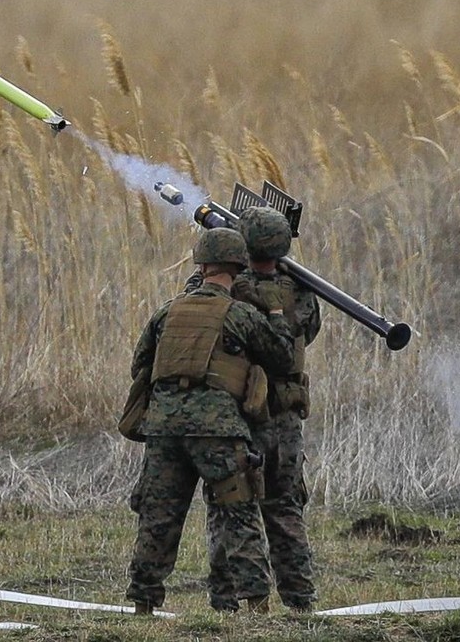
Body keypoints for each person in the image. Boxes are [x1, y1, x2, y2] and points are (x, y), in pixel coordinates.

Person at [125, 227, 296, 615]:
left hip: (164, 428)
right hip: (218, 428)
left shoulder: (167, 311)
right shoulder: (241, 314)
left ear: (201, 265)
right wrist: (275, 312)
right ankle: (256, 604)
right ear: (238, 267)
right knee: (239, 513)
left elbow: (140, 364)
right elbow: (282, 359)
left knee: (158, 517)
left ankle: (144, 603)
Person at [232, 205, 323, 612]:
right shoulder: (302, 292)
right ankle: (301, 601)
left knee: (239, 505)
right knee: (286, 509)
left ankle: (253, 603)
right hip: (286, 417)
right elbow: (310, 331)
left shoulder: (231, 287)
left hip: (243, 413)